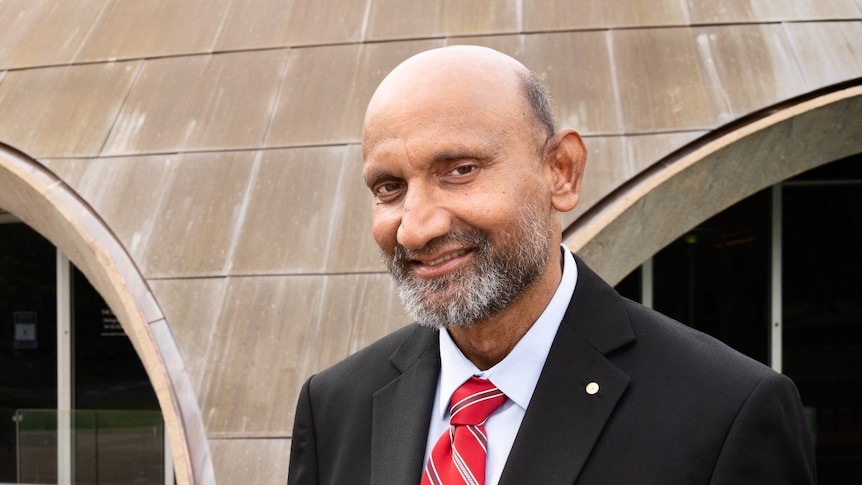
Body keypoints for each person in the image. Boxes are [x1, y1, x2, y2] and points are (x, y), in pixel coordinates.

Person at [287, 45, 816, 484]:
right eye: (390, 187)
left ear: (561, 171)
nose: (416, 227)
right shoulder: (335, 406)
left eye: (460, 170)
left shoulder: (726, 412)